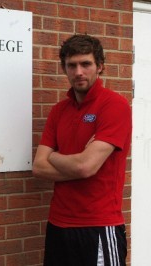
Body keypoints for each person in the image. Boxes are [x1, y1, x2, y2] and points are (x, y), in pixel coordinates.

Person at [32, 34, 131, 266]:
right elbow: (38, 167)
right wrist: (76, 164)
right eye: (72, 65)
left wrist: (54, 156)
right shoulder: (59, 111)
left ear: (100, 66)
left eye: (86, 64)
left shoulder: (114, 105)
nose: (78, 72)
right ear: (64, 68)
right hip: (58, 224)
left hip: (98, 225)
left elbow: (86, 166)